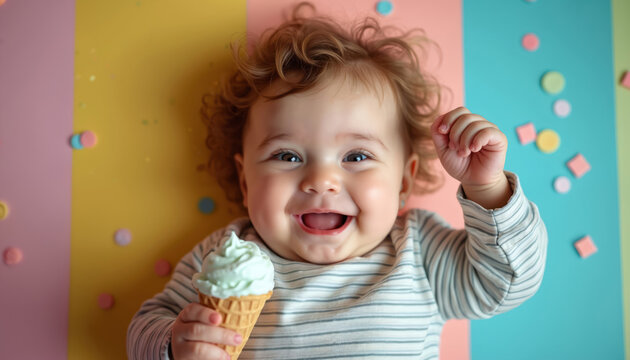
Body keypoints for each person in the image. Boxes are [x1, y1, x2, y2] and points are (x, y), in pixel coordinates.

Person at [127, 3, 547, 359]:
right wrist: (173, 343)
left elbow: (506, 284)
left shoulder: (418, 252)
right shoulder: (228, 255)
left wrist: (487, 189)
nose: (321, 180)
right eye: (286, 155)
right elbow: (147, 324)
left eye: (356, 156)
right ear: (245, 179)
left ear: (404, 182)